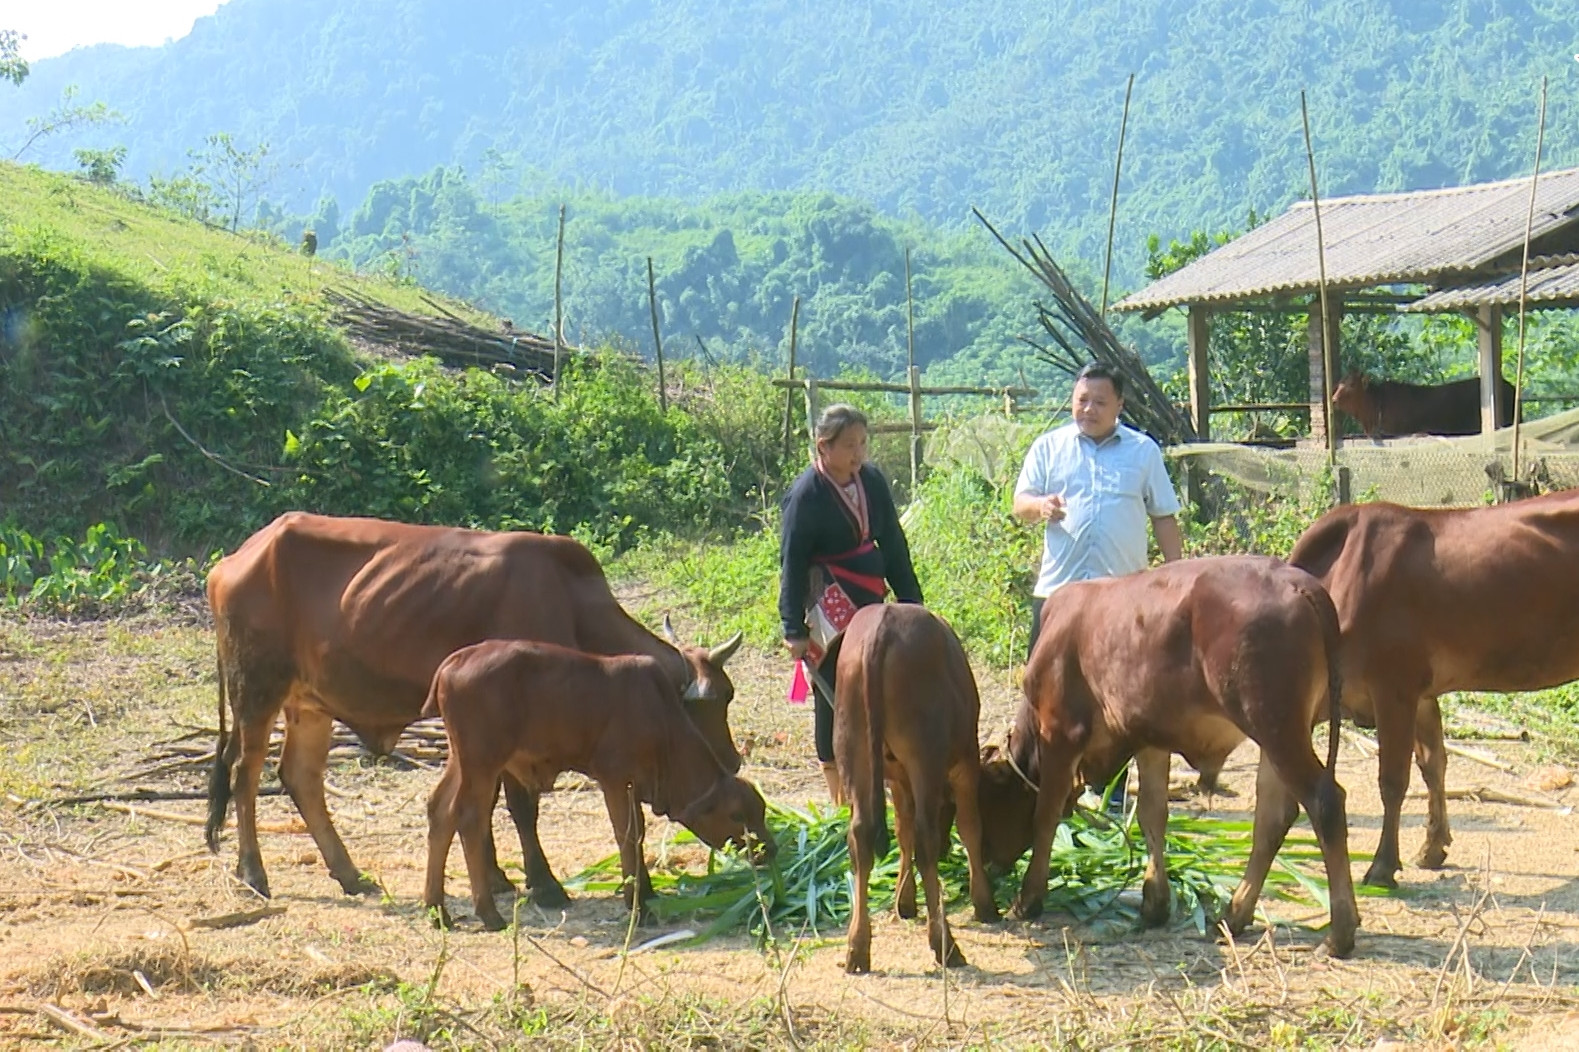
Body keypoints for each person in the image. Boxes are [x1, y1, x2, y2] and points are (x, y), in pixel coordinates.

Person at [1013, 362, 1184, 815]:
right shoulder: (1049, 447)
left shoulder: (1143, 452)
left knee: (1120, 699)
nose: (1087, 409)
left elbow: (1163, 517)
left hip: (1121, 602)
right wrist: (1039, 506)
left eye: (1099, 402)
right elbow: (1019, 501)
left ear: (1120, 406)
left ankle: (1109, 797)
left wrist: (1179, 579)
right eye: (1081, 400)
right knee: (1045, 696)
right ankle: (1047, 792)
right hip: (1058, 598)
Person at [780, 404, 923, 805]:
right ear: (823, 447)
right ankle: (840, 796)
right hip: (829, 602)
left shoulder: (871, 481)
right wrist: (793, 626)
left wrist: (911, 599)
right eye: (848, 446)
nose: (858, 454)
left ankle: (887, 775)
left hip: (869, 597)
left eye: (863, 443)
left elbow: (893, 542)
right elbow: (791, 561)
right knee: (836, 684)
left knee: (879, 680)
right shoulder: (806, 494)